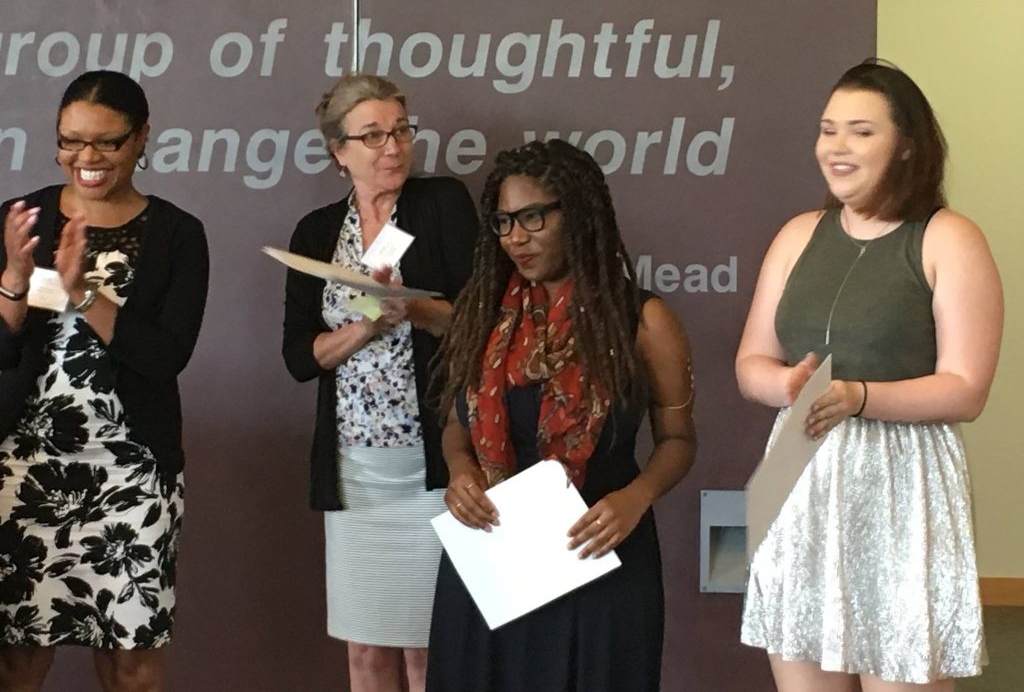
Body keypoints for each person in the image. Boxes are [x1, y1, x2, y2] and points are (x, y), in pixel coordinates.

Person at [737, 60, 1003, 691]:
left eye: (860, 132)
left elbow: (966, 388)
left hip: (901, 478)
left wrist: (857, 397)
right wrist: (787, 388)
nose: (837, 147)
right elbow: (752, 364)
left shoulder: (949, 237)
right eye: (829, 130)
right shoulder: (798, 234)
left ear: (906, 144)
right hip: (794, 468)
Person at [425, 139, 696, 692]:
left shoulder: (642, 321)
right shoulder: (482, 313)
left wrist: (635, 498)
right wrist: (459, 471)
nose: (515, 238)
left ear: (578, 214)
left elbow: (678, 440)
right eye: (503, 222)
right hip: (492, 560)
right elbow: (458, 424)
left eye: (532, 217)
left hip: (597, 555)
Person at [0, 70, 209, 692]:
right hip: (25, 464)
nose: (85, 159)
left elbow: (166, 355)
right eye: (70, 141)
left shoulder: (177, 233)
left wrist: (83, 292)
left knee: (131, 660)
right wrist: (13, 277)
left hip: (132, 471)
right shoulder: (20, 219)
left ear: (142, 138)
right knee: (19, 655)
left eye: (106, 143)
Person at [281, 73, 477, 692]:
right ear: (339, 151)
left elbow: (479, 325)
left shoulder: (442, 204)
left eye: (400, 130)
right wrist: (369, 323)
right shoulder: (315, 233)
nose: (392, 147)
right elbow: (300, 357)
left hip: (433, 468)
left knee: (427, 649)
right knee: (365, 648)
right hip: (354, 473)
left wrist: (411, 307)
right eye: (372, 136)